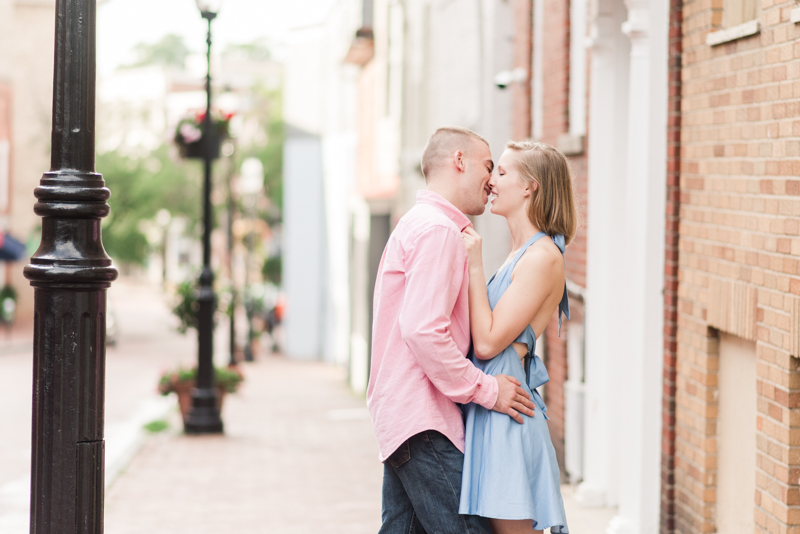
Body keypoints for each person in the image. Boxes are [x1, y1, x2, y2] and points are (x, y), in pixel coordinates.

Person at [367, 127, 537, 534]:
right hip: (424, 419)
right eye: (488, 165)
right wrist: (488, 390)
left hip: (406, 416)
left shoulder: (421, 223)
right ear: (459, 161)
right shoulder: (439, 230)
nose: (492, 179)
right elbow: (424, 330)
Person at [459, 141, 575, 533]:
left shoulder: (543, 257)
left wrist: (473, 262)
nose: (491, 181)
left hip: (509, 418)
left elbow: (489, 343)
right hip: (493, 407)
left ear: (531, 187)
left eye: (503, 173)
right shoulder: (519, 254)